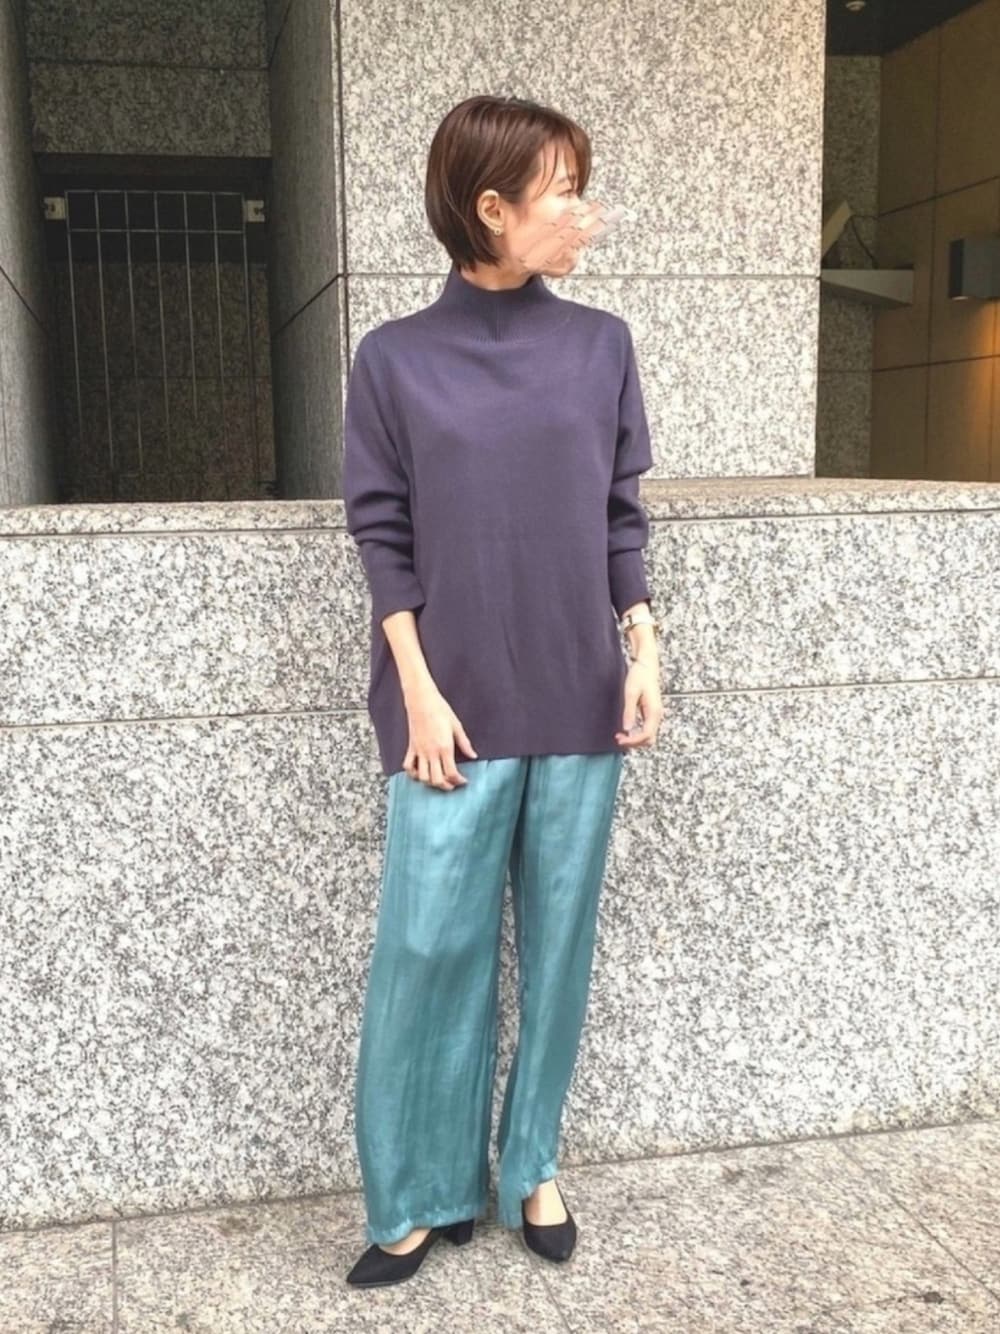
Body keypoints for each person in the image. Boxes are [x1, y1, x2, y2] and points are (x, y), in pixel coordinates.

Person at [342, 93, 662, 1288]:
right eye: (564, 191)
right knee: (428, 948)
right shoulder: (392, 359)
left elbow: (619, 512)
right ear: (490, 207)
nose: (587, 212)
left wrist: (642, 642)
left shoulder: (601, 345)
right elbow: (382, 536)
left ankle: (532, 1163)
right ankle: (418, 1192)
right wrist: (416, 691)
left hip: (580, 695)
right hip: (450, 708)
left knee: (560, 947)